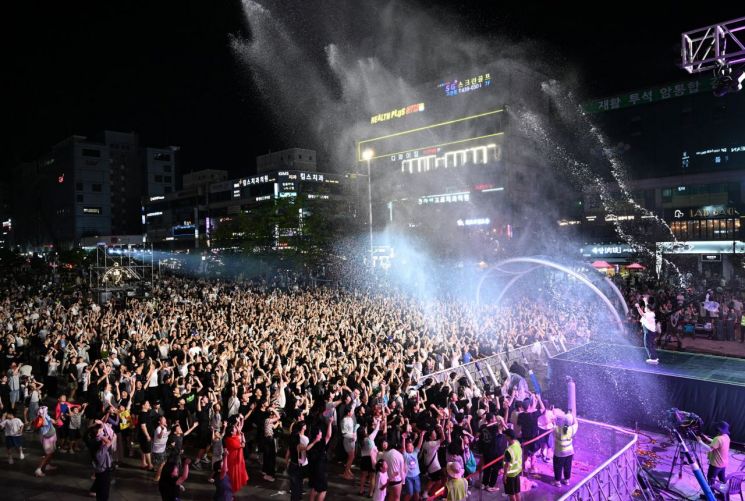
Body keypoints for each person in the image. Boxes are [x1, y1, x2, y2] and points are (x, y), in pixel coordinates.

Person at [698, 421, 731, 487]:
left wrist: (700, 441)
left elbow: (709, 449)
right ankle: (724, 492)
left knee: (710, 479)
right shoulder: (726, 437)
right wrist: (707, 438)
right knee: (722, 479)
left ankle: (711, 492)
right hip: (723, 464)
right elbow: (718, 443)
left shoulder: (718, 438)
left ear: (719, 429)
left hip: (716, 465)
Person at [552, 411, 578, 487]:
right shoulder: (572, 429)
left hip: (559, 452)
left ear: (563, 420)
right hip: (569, 452)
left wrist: (554, 421)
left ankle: (557, 482)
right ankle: (567, 480)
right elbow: (576, 423)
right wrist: (573, 415)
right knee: (567, 466)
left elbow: (553, 427)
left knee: (558, 467)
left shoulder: (557, 429)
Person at [224, 416, 249, 495]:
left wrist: (239, 421)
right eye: (234, 429)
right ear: (231, 432)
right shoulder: (231, 440)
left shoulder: (233, 437)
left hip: (236, 457)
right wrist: (242, 436)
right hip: (234, 458)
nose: (236, 429)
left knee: (235, 471)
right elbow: (243, 445)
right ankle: (231, 487)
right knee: (233, 472)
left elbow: (239, 429)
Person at [635, 297, 660, 364]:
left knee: (647, 345)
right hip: (651, 332)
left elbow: (641, 313)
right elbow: (647, 306)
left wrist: (638, 307)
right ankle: (655, 357)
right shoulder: (650, 313)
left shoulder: (649, 315)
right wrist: (645, 301)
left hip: (649, 332)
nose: (645, 308)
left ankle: (652, 358)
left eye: (646, 308)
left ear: (648, 309)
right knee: (651, 345)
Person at [35, 406, 57, 477]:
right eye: (46, 410)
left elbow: (54, 421)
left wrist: (55, 420)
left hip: (52, 436)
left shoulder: (46, 416)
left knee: (51, 452)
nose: (47, 411)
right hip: (48, 439)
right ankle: (38, 469)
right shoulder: (42, 419)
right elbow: (45, 423)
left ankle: (47, 465)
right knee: (48, 454)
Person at [502, 428, 522, 501]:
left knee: (511, 494)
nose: (504, 436)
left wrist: (504, 475)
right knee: (517, 492)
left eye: (505, 435)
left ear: (509, 437)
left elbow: (507, 465)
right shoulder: (517, 443)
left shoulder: (509, 451)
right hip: (517, 472)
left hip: (510, 475)